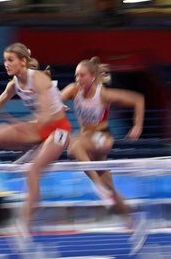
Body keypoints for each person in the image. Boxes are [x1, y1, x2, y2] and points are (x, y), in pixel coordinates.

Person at [0, 43, 71, 251]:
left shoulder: (40, 80)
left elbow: (45, 117)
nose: (6, 64)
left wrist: (20, 123)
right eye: (4, 60)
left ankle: (24, 226)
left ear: (23, 61)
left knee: (33, 171)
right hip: (38, 130)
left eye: (10, 60)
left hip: (59, 131)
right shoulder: (13, 84)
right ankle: (33, 148)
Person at [60, 57, 145, 215]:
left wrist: (137, 125)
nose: (78, 79)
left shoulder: (103, 94)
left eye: (82, 75)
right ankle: (131, 216)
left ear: (92, 77)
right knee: (108, 183)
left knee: (74, 147)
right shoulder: (73, 89)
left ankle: (98, 187)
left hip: (102, 137)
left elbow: (138, 99)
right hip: (87, 139)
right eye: (76, 76)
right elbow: (56, 99)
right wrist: (58, 105)